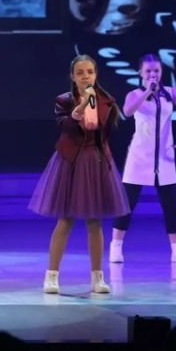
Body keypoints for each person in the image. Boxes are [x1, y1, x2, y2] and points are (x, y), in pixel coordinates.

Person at [29, 55, 129, 295]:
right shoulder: (63, 101)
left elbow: (103, 132)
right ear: (73, 76)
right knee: (65, 219)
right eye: (80, 72)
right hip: (70, 162)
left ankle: (97, 278)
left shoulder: (106, 101)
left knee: (95, 221)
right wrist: (82, 106)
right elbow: (66, 125)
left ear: (96, 74)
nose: (86, 76)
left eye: (90, 72)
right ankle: (51, 276)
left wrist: (92, 102)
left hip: (96, 162)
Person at [110, 53, 176, 265]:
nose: (153, 74)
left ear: (161, 72)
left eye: (156, 70)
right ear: (140, 73)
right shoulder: (134, 94)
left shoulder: (171, 93)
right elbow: (128, 111)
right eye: (148, 71)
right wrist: (147, 92)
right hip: (139, 157)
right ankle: (116, 246)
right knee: (127, 204)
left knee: (171, 205)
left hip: (164, 159)